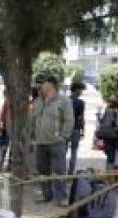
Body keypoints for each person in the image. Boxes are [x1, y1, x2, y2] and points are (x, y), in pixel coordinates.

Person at [31, 75, 73, 204]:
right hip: (40, 142)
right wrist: (33, 137)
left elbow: (69, 120)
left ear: (52, 86)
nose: (41, 87)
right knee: (43, 171)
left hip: (56, 142)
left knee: (59, 171)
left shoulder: (63, 101)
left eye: (44, 84)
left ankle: (61, 197)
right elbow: (34, 120)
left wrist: (63, 137)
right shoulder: (38, 101)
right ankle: (46, 195)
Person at [67, 81, 85, 174]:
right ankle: (70, 171)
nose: (81, 92)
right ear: (77, 90)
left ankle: (61, 170)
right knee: (74, 151)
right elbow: (81, 118)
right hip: (75, 128)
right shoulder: (80, 102)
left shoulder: (65, 100)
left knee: (63, 150)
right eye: (81, 90)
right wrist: (83, 130)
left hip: (65, 128)